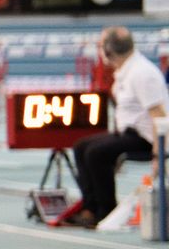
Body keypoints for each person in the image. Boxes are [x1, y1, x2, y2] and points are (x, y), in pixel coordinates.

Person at [69, 26, 169, 227]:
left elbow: (160, 117)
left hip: (147, 138)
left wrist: (159, 156)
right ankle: (91, 206)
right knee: (81, 146)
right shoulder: (125, 70)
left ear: (107, 51)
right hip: (129, 132)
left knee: (96, 153)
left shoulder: (141, 73)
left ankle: (106, 210)